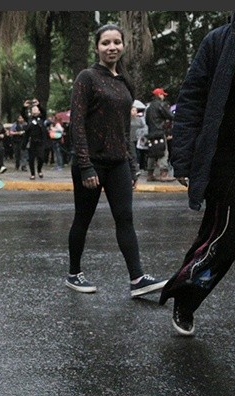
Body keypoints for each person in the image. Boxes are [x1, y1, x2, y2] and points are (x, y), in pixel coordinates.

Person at [159, 11, 235, 357]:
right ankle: (186, 297)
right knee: (224, 242)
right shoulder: (221, 40)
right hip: (232, 164)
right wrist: (184, 156)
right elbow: (192, 98)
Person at [64, 23, 167, 298]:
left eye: (116, 43)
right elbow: (78, 124)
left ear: (123, 45)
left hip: (118, 162)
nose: (112, 48)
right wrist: (84, 165)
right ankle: (74, 273)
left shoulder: (125, 81)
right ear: (97, 47)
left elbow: (124, 128)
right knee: (83, 219)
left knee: (125, 218)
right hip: (92, 163)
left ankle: (137, 279)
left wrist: (132, 164)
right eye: (105, 43)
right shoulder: (87, 78)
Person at [144, 87, 176, 182]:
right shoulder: (161, 105)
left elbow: (146, 121)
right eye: (162, 95)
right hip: (160, 132)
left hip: (151, 132)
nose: (163, 97)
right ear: (159, 95)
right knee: (163, 153)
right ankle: (163, 174)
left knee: (152, 153)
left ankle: (150, 174)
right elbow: (170, 115)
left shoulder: (149, 108)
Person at [22, 102, 48, 180]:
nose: (34, 110)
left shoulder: (42, 118)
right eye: (33, 109)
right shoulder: (29, 119)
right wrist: (24, 107)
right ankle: (32, 174)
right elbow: (23, 114)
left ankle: (39, 170)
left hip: (41, 141)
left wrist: (39, 105)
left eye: (36, 109)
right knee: (31, 159)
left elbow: (44, 112)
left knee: (41, 157)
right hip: (32, 141)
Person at [129, 103, 148, 171]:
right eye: (133, 110)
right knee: (133, 154)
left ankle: (142, 166)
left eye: (135, 110)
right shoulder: (128, 119)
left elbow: (144, 126)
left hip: (139, 138)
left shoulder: (139, 119)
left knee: (141, 153)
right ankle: (135, 168)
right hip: (130, 138)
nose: (134, 112)